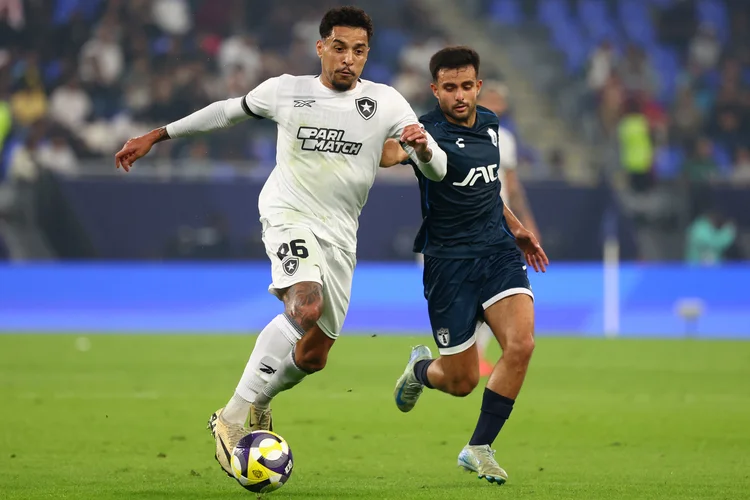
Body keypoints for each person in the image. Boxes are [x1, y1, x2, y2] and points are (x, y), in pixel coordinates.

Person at [114, 6, 447, 478]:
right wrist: (158, 134)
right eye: (338, 47)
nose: (348, 59)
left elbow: (436, 170)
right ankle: (228, 421)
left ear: (367, 54)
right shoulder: (287, 90)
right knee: (305, 306)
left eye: (358, 50)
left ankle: (262, 400)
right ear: (320, 47)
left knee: (313, 356)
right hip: (288, 213)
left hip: (340, 234)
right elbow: (224, 113)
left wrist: (423, 149)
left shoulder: (387, 103)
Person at [380, 46, 547, 485]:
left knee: (522, 344)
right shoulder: (424, 130)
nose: (459, 95)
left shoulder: (491, 126)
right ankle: (420, 369)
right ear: (435, 89)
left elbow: (489, 190)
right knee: (460, 381)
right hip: (448, 265)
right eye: (449, 88)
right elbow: (391, 154)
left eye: (466, 86)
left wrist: (517, 228)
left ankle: (479, 447)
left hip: (497, 252)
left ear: (478, 86)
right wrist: (390, 148)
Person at [475, 80, 541, 377]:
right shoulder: (460, 133)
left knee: (495, 287)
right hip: (464, 222)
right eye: (489, 98)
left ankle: (477, 354)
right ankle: (465, 351)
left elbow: (512, 188)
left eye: (498, 101)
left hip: (499, 224)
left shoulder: (506, 139)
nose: (494, 105)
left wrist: (527, 224)